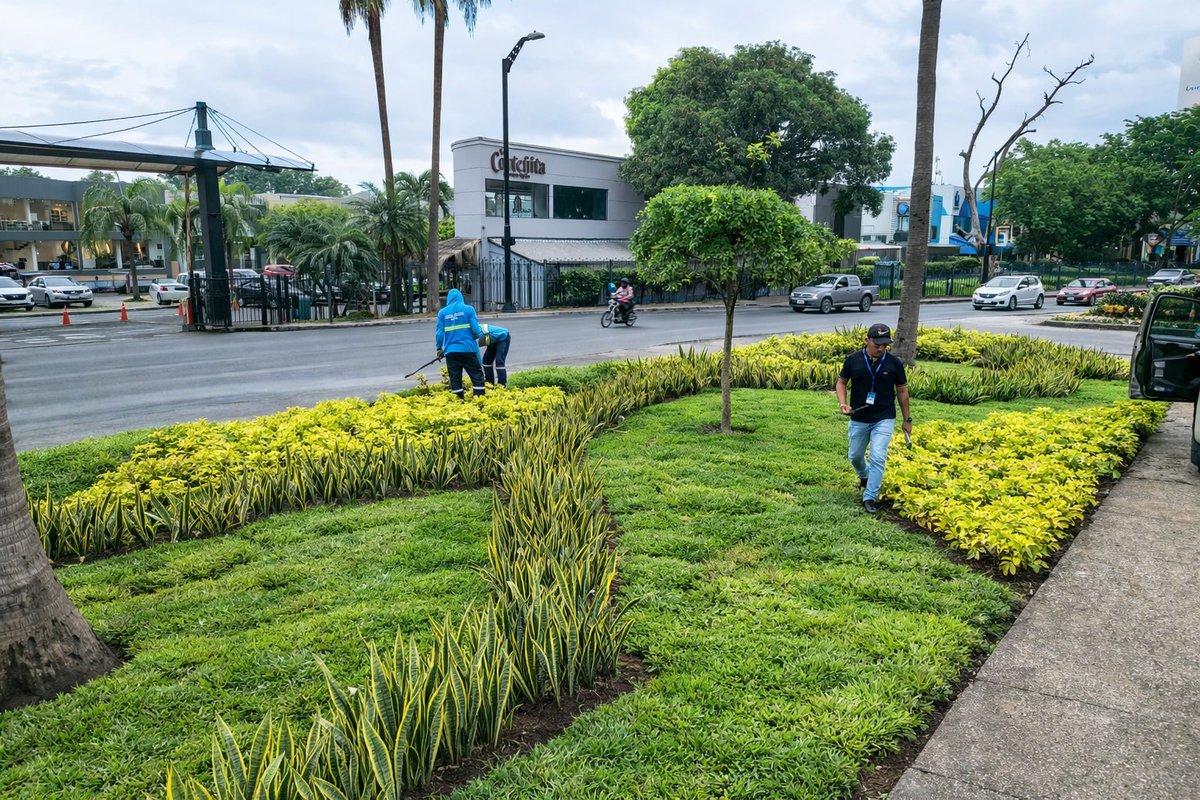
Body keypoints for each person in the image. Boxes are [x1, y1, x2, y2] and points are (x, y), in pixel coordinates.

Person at [835, 323, 912, 514]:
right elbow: (841, 382)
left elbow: (902, 391)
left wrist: (907, 420)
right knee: (855, 456)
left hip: (884, 417)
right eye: (877, 344)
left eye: (885, 344)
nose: (881, 348)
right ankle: (865, 475)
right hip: (859, 416)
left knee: (878, 455)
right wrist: (843, 403)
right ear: (866, 340)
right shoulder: (853, 359)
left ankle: (870, 497)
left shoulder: (894, 363)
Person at [435, 288, 486, 399]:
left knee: (455, 380)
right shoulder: (469, 310)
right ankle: (479, 402)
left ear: (448, 299)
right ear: (460, 297)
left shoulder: (442, 313)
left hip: (451, 352)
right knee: (477, 377)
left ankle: (458, 403)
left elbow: (439, 333)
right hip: (468, 349)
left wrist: (439, 349)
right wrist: (479, 334)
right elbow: (476, 330)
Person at [477, 322, 511, 387]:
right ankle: (490, 384)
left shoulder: (474, 331)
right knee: (486, 361)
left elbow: (475, 351)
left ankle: (502, 385)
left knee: (499, 361)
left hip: (503, 336)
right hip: (493, 339)